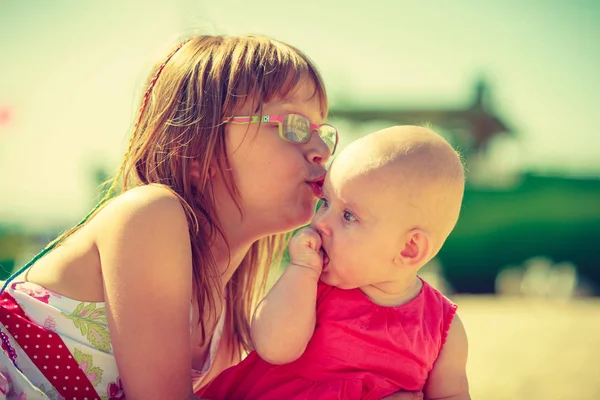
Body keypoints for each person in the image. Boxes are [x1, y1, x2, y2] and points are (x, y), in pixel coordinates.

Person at [0, 34, 337, 400]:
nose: (321, 150)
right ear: (195, 148)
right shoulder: (149, 214)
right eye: (294, 126)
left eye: (322, 132)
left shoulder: (227, 321)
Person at [199, 125, 471, 400]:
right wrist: (302, 269)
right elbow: (273, 347)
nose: (321, 222)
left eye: (349, 216)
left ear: (409, 249)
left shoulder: (441, 329)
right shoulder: (311, 286)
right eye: (326, 202)